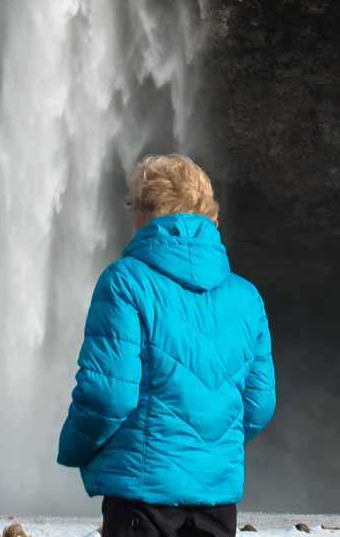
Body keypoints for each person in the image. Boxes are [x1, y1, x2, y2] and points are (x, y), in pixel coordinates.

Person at [57, 155, 275, 537]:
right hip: (217, 505)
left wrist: (75, 448)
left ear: (147, 211)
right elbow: (259, 405)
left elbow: (107, 394)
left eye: (132, 205)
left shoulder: (125, 281)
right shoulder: (247, 297)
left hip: (142, 501)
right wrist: (209, 449)